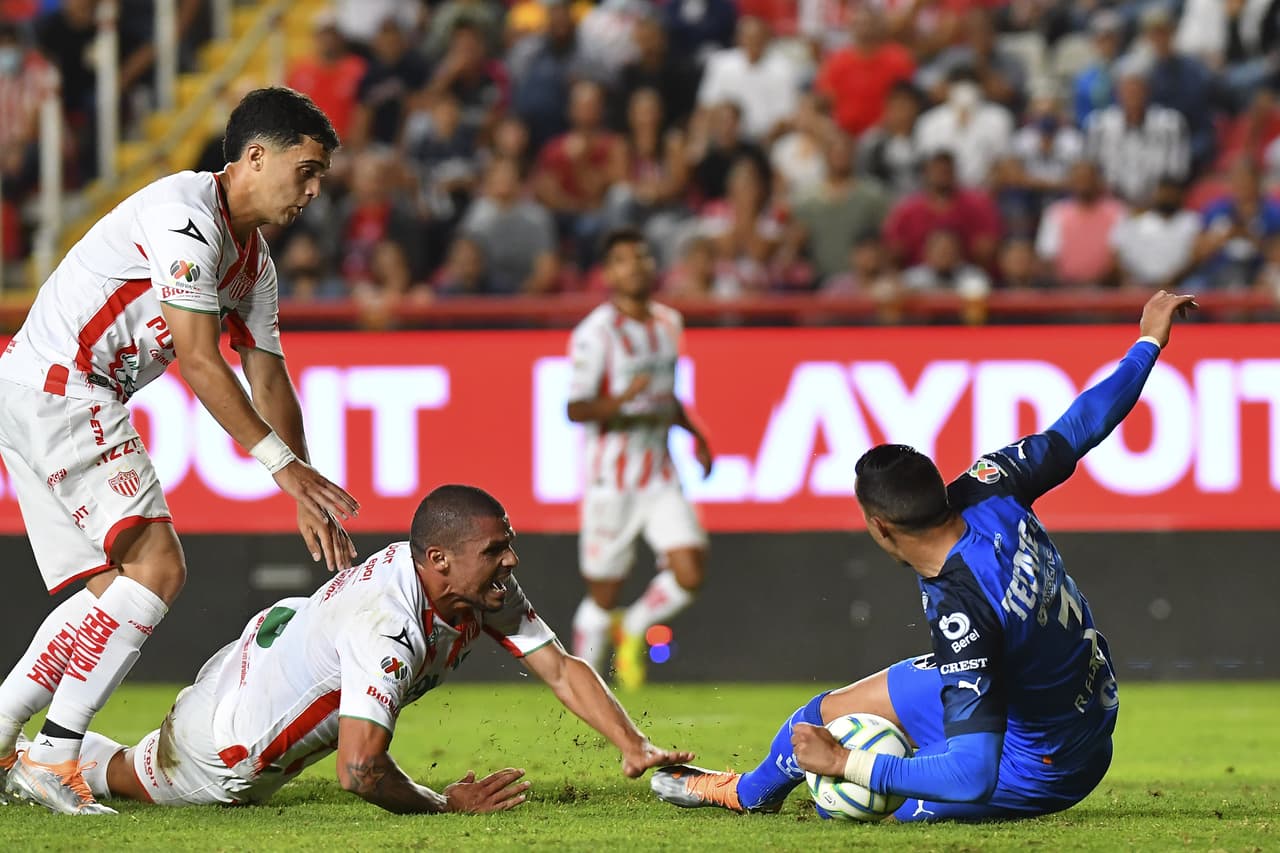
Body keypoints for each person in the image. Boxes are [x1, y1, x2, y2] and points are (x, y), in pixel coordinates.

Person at [651, 290, 1197, 822]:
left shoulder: (965, 615)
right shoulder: (993, 484)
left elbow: (972, 774)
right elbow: (1082, 424)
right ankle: (748, 793)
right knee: (816, 715)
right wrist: (1148, 341)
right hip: (1065, 703)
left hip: (1045, 766)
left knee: (870, 804)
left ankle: (874, 784)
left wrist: (848, 762)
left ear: (879, 527)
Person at [0, 87, 360, 815]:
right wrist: (281, 468)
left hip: (37, 387)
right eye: (309, 168)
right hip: (66, 384)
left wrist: (305, 481)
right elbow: (200, 360)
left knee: (114, 594)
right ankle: (53, 754)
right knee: (158, 568)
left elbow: (268, 373)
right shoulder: (184, 216)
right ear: (255, 157)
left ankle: (8, 731)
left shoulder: (252, 264)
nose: (316, 190)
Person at [43, 486, 693, 812]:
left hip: (274, 639)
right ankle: (33, 751)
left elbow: (558, 665)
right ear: (438, 559)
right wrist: (444, 804)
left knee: (133, 751)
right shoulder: (389, 626)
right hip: (226, 746)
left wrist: (634, 744)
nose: (511, 559)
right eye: (496, 549)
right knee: (124, 773)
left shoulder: (477, 588)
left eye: (508, 543)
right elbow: (357, 771)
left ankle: (44, 747)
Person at [567, 228, 714, 691]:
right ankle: (584, 682)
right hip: (612, 482)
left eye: (643, 257)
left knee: (689, 571)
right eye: (624, 260)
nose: (637, 266)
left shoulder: (669, 322)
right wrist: (621, 401)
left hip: (661, 474)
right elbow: (576, 408)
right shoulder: (595, 334)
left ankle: (633, 629)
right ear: (609, 273)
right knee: (602, 595)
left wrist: (696, 434)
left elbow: (667, 394)